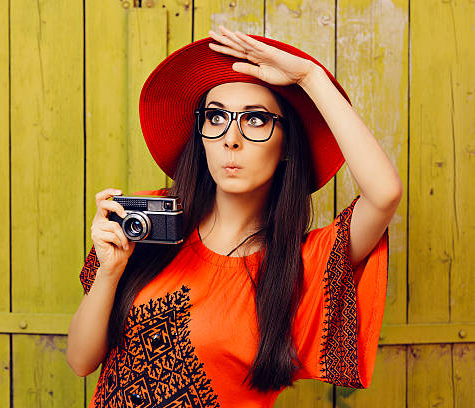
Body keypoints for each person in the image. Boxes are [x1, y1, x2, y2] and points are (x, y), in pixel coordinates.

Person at [67, 25, 401, 408]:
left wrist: (309, 77)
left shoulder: (307, 263)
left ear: (287, 144)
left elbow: (384, 193)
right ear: (202, 135)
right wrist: (109, 272)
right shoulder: (150, 222)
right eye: (216, 117)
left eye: (255, 120)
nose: (231, 138)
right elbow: (81, 361)